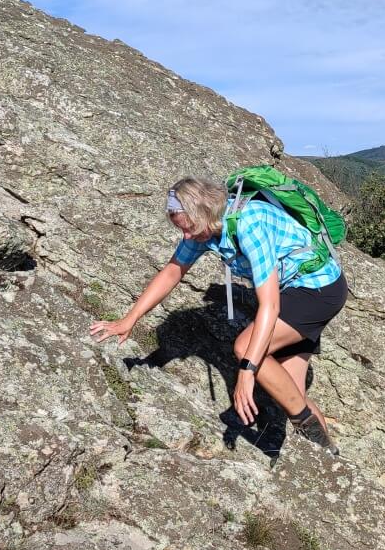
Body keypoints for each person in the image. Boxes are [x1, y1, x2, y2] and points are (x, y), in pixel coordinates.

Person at [89, 176, 348, 455]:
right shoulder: (204, 228)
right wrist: (130, 319)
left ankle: (314, 439)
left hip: (318, 290)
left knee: (245, 348)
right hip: (297, 291)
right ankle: (330, 458)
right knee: (293, 394)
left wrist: (246, 372)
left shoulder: (249, 223)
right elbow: (173, 271)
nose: (186, 236)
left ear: (204, 213)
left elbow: (270, 306)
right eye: (181, 229)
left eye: (189, 228)